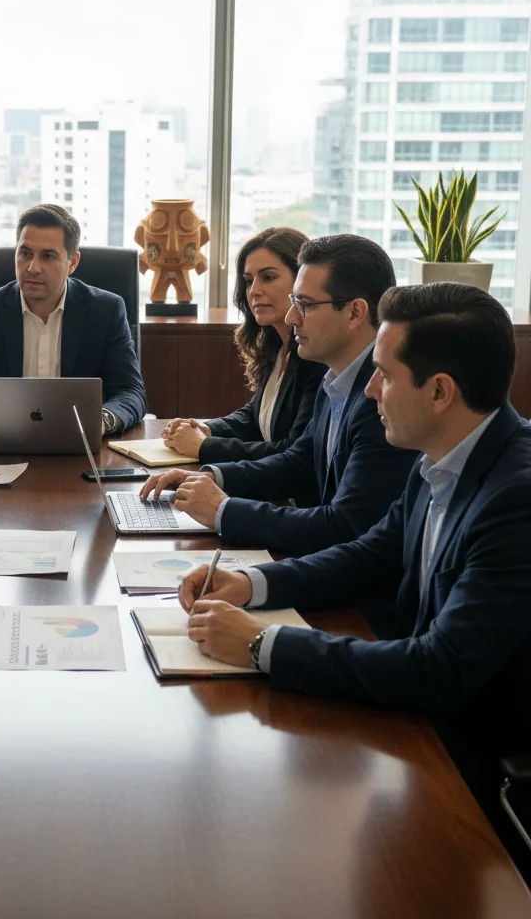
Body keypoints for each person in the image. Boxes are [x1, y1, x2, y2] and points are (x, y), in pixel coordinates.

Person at [175, 282, 531, 756]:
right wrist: (250, 583)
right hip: (414, 718)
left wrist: (263, 644)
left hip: (471, 755)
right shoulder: (441, 455)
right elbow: (370, 555)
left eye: (384, 374)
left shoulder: (516, 498)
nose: (369, 389)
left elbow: (439, 671)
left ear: (440, 391)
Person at [141, 234, 417, 556]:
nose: (291, 317)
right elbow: (298, 461)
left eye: (305, 305)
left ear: (355, 312)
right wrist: (208, 476)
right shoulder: (337, 380)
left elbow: (343, 527)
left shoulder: (383, 401)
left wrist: (223, 510)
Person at [0, 203, 147, 436]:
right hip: (0, 444)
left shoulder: (105, 310)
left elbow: (130, 391)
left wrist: (101, 421)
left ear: (72, 263)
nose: (33, 267)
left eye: (48, 256)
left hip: (79, 447)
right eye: (25, 253)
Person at [161, 227, 326, 463]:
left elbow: (293, 452)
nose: (254, 291)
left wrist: (204, 446)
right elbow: (254, 415)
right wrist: (205, 429)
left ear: (302, 281)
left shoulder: (317, 355)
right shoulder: (277, 345)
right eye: (249, 281)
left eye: (268, 278)